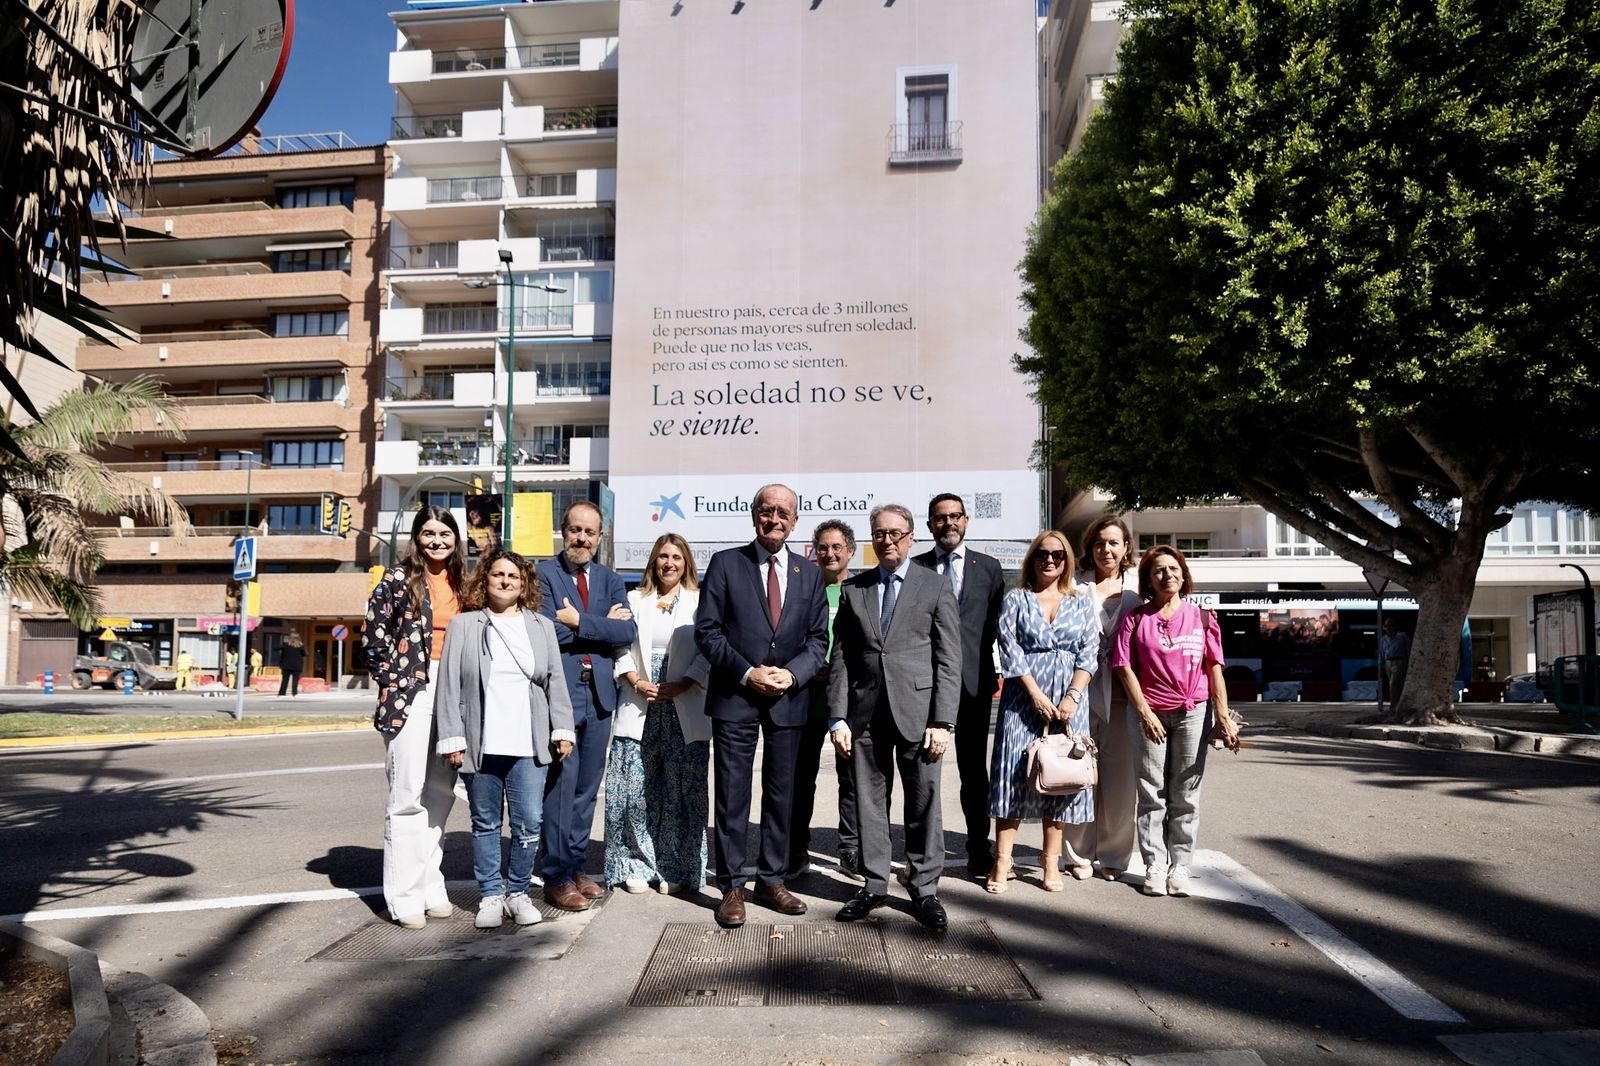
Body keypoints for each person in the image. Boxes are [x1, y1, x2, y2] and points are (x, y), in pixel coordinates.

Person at [695, 483, 828, 928]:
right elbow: (708, 632)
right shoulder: (725, 564)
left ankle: (772, 880)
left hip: (789, 700)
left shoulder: (809, 574)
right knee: (732, 795)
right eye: (767, 510)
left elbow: (817, 640)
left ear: (795, 520)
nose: (775, 519)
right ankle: (732, 885)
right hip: (736, 695)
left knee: (782, 795)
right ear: (754, 515)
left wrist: (791, 674)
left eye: (784, 512)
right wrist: (747, 672)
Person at [828, 504, 961, 931]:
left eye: (896, 533)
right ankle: (873, 883)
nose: (888, 540)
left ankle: (924, 889)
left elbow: (948, 659)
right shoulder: (855, 588)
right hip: (864, 716)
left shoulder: (935, 587)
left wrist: (943, 721)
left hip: (920, 717)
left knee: (923, 803)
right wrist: (838, 718)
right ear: (872, 539)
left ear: (911, 537)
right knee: (868, 804)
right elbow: (842, 658)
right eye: (880, 533)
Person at [434, 550, 576, 929]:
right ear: (485, 580)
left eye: (513, 575)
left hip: (529, 742)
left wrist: (562, 728)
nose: (505, 581)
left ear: (524, 583)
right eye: (497, 574)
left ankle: (518, 893)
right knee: (485, 823)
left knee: (529, 823)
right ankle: (490, 895)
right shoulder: (464, 625)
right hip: (481, 741)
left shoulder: (541, 626)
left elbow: (555, 681)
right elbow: (448, 684)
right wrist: (452, 737)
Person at [1112, 545, 1240, 898]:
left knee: (1186, 793)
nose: (1166, 574)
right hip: (1148, 712)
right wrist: (1144, 711)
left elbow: (1214, 669)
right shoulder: (1136, 619)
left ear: (1183, 576)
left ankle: (1180, 865)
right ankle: (1154, 864)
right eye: (1158, 570)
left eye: (1173, 568)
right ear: (1148, 579)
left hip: (1193, 712)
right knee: (1151, 791)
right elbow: (1123, 667)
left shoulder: (1202, 618)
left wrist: (1224, 717)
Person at [363, 506, 465, 928]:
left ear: (456, 539)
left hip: (454, 691)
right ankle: (403, 896)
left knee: (441, 792)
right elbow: (373, 635)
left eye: (444, 533)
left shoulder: (465, 584)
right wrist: (395, 681)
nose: (437, 540)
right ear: (416, 537)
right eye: (429, 533)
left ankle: (429, 883)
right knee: (407, 795)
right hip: (412, 689)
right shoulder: (397, 580)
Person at [535, 500, 636, 912]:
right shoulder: (543, 573)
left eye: (590, 532)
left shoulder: (611, 579)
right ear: (564, 530)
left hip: (599, 695)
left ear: (599, 537)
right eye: (575, 529)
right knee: (560, 785)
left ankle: (576, 866)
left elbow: (626, 630)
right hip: (560, 693)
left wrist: (577, 621)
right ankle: (556, 875)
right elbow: (544, 631)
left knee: (585, 789)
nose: (582, 538)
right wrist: (600, 625)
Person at [987, 530, 1099, 893]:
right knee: (1011, 776)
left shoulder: (1081, 602)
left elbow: (1089, 653)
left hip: (1069, 703)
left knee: (1060, 777)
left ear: (1067, 561)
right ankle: (1002, 861)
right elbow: (1010, 649)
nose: (1049, 560)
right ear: (1032, 559)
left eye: (1057, 555)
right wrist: (1034, 694)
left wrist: (1072, 697)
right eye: (1042, 554)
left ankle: (1049, 863)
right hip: (1023, 698)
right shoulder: (1016, 598)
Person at [607, 533, 711, 894]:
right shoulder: (634, 599)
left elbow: (710, 648)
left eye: (677, 557)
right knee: (636, 788)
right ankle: (635, 863)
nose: (669, 563)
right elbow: (617, 643)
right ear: (653, 561)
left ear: (687, 564)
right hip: (640, 701)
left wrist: (685, 682)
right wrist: (635, 680)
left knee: (683, 788)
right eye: (663, 556)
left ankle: (679, 866)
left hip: (684, 699)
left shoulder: (702, 602)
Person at [913, 493, 1006, 878]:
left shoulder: (989, 568)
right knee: (921, 772)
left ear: (966, 521)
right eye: (940, 517)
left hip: (972, 684)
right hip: (922, 685)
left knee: (973, 771)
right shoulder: (914, 566)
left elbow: (999, 627)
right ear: (930, 524)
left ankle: (977, 848)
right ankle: (921, 852)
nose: (948, 523)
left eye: (954, 516)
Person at [1064, 517, 1144, 882]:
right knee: (1076, 775)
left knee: (1120, 781)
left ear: (1126, 547)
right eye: (1099, 543)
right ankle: (1077, 854)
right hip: (1079, 692)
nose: (1106, 550)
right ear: (1090, 547)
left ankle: (1113, 855)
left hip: (1126, 695)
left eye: (1114, 543)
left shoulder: (1140, 588)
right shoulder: (1074, 584)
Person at [790, 519, 858, 879]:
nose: (829, 553)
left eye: (836, 547)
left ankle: (850, 849)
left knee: (851, 778)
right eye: (822, 548)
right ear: (814, 553)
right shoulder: (804, 589)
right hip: (806, 697)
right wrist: (808, 665)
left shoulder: (862, 590)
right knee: (802, 778)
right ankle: (796, 847)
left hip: (847, 701)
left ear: (850, 551)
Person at [1380, 618, 1411, 706]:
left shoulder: (1402, 637)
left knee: (1394, 684)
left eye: (1390, 626)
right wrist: (1381, 665)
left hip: (1399, 661)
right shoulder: (1383, 639)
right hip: (1388, 663)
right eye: (1386, 626)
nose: (1388, 628)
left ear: (1396, 627)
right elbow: (1381, 652)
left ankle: (1393, 705)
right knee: (1393, 684)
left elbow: (1408, 650)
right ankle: (1398, 704)